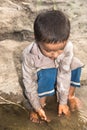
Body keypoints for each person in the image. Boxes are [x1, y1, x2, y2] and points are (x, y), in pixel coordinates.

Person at [22, 10, 84, 123]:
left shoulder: (68, 46)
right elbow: (29, 82)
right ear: (36, 39)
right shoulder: (29, 54)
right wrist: (36, 107)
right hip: (43, 73)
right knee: (47, 74)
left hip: (62, 71)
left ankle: (71, 95)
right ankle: (41, 104)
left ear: (67, 38)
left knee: (76, 65)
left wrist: (63, 102)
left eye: (60, 49)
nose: (55, 55)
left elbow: (64, 73)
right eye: (48, 50)